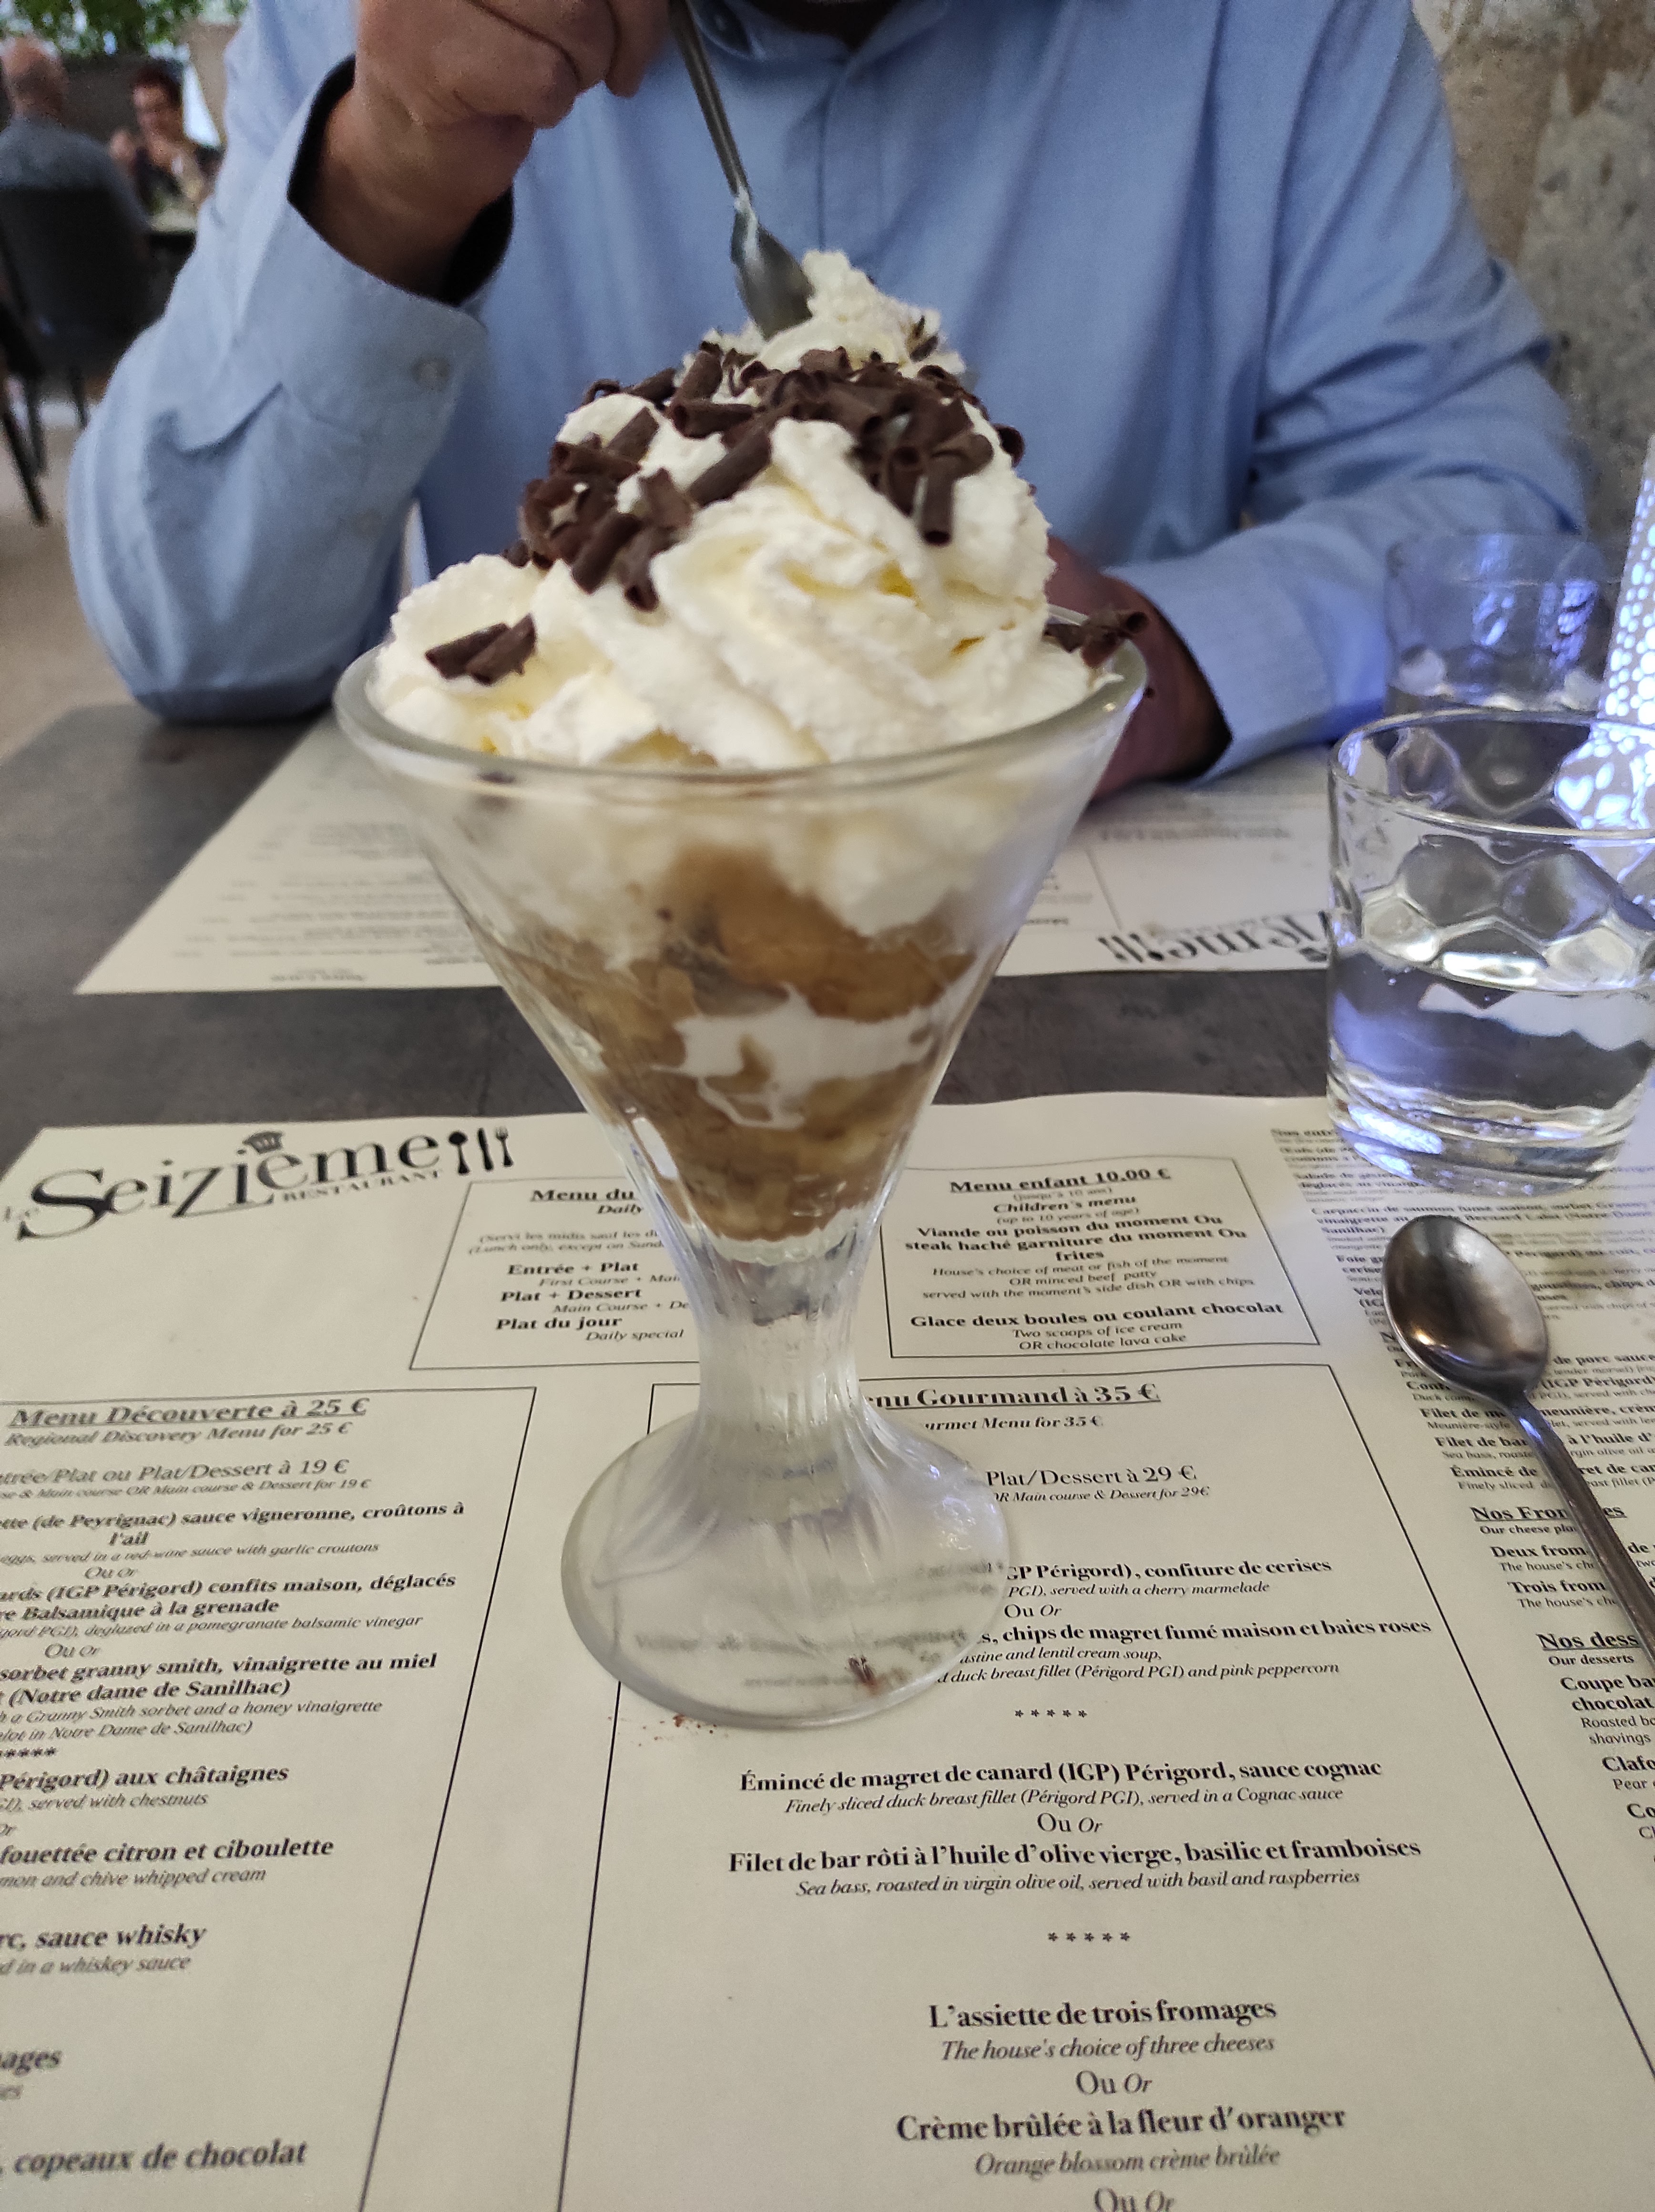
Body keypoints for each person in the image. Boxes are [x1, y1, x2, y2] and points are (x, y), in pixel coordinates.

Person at [69, 0, 1583, 793]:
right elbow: (196, 644)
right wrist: (387, 181)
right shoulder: (360, 19)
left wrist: (1152, 666)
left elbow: (1500, 536)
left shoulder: (1280, 30)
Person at [0, 36, 148, 240]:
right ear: (57, 84)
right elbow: (140, 234)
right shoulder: (90, 161)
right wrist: (123, 173)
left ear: (10, 91)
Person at [109, 59, 221, 227]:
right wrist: (117, 168)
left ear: (179, 109)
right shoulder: (136, 161)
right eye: (143, 112)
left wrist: (185, 171)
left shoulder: (211, 160)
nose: (151, 121)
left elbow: (219, 218)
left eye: (159, 109)